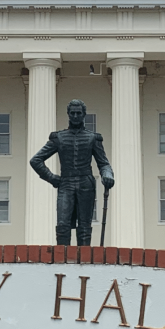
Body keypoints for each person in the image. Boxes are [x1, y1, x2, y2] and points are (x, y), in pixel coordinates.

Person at [30, 99, 114, 246]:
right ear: (68, 114)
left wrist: (107, 174)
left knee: (84, 226)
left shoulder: (92, 138)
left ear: (84, 115)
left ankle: (85, 260)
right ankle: (62, 260)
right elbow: (36, 160)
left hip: (86, 183)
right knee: (63, 224)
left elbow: (104, 163)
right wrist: (51, 178)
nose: (75, 116)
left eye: (79, 113)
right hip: (66, 183)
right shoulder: (59, 138)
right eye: (73, 113)